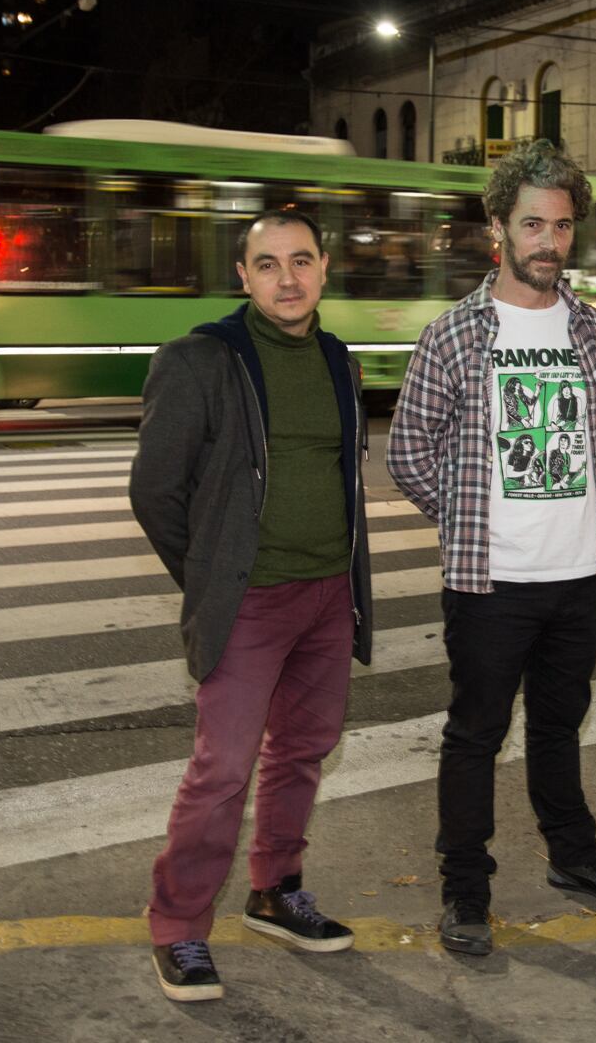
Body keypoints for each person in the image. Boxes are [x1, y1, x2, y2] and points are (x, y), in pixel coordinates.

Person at [387, 139, 596, 959]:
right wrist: (470, 518)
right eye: (532, 223)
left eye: (562, 226)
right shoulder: (455, 335)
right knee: (475, 733)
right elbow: (407, 451)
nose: (548, 241)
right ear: (498, 226)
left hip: (578, 576)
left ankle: (573, 856)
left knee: (562, 725)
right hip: (491, 582)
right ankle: (466, 886)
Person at [129, 211, 374, 1003]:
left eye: (301, 260)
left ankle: (275, 889)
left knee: (303, 749)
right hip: (251, 602)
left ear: (325, 267)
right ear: (243, 276)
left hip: (328, 594)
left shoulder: (339, 359)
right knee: (223, 769)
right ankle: (177, 926)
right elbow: (156, 490)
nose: (287, 278)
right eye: (267, 264)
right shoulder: (202, 360)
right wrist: (212, 572)